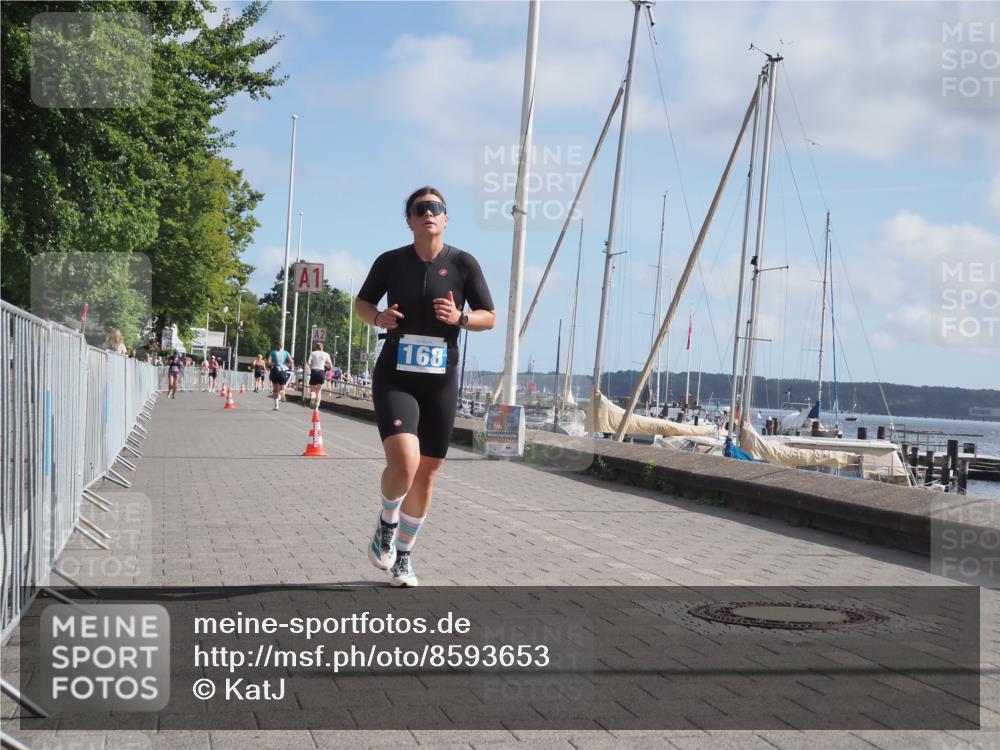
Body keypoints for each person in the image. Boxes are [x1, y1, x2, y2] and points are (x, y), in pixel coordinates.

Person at [355, 186, 495, 587]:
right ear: (410, 220)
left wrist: (461, 319)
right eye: (421, 209)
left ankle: (404, 557)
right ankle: (386, 523)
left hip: (441, 379)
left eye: (436, 208)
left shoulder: (464, 264)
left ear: (446, 218)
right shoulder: (391, 262)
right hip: (396, 374)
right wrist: (377, 318)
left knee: (428, 473)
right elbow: (362, 303)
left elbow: (490, 315)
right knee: (404, 462)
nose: (428, 213)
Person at [267, 340, 294, 410]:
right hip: (283, 371)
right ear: (282, 346)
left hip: (275, 370)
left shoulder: (272, 352)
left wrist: (272, 364)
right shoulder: (286, 352)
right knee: (282, 388)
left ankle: (276, 406)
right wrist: (287, 366)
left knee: (275, 389)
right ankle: (282, 395)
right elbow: (291, 361)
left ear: (276, 345)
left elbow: (269, 362)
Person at [307, 342, 333, 409]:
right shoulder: (326, 354)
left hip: (314, 371)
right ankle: (317, 406)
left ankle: (312, 401)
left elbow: (308, 362)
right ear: (322, 348)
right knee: (319, 391)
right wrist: (324, 364)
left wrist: (311, 365)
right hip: (321, 372)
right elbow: (330, 366)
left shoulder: (313, 353)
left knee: (312, 389)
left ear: (316, 347)